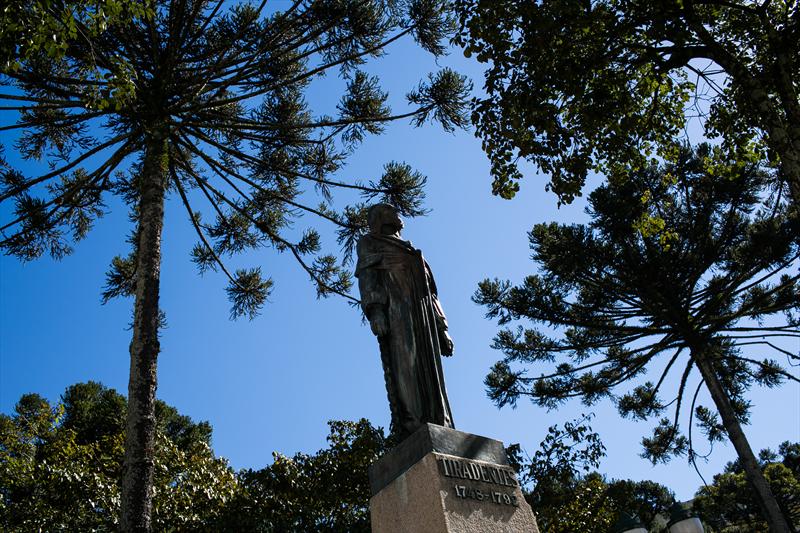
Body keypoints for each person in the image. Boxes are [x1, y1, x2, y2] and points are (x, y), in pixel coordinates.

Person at [355, 203, 455, 440]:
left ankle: (441, 424)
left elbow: (431, 294)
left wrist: (442, 328)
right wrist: (376, 310)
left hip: (424, 317)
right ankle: (413, 426)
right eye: (391, 211)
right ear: (379, 218)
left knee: (430, 370)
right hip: (398, 312)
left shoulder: (413, 252)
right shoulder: (370, 244)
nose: (398, 214)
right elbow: (368, 278)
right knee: (406, 366)